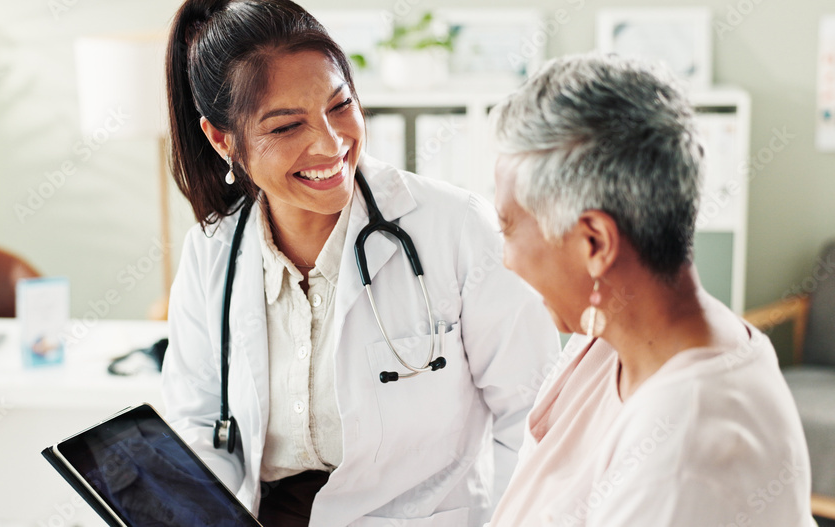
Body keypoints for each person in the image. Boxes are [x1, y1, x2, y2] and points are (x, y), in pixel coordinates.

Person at [159, 0, 559, 525]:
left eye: (340, 105)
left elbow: (536, 417)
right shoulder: (212, 251)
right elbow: (198, 422)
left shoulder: (456, 228)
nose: (330, 144)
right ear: (222, 138)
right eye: (286, 127)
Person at [487, 53, 816, 527]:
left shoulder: (684, 458)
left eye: (508, 227)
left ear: (595, 242)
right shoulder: (608, 334)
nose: (505, 258)